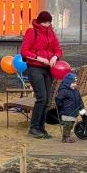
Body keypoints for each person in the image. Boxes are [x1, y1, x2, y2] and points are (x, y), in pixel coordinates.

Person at [20, 10, 63, 139]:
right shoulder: (31, 32)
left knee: (47, 100)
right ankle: (34, 127)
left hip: (48, 69)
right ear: (39, 21)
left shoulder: (51, 33)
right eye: (44, 22)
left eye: (48, 22)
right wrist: (39, 58)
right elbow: (24, 51)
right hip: (35, 68)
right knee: (42, 98)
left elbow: (58, 49)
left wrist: (56, 56)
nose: (46, 25)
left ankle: (41, 127)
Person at [54, 72, 86, 143]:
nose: (75, 84)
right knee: (67, 125)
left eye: (75, 83)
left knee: (71, 124)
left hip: (74, 111)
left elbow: (79, 100)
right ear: (67, 83)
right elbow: (58, 99)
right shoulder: (63, 91)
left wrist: (81, 108)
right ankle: (66, 137)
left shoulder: (75, 91)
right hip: (66, 111)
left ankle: (66, 136)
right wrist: (62, 106)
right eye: (73, 83)